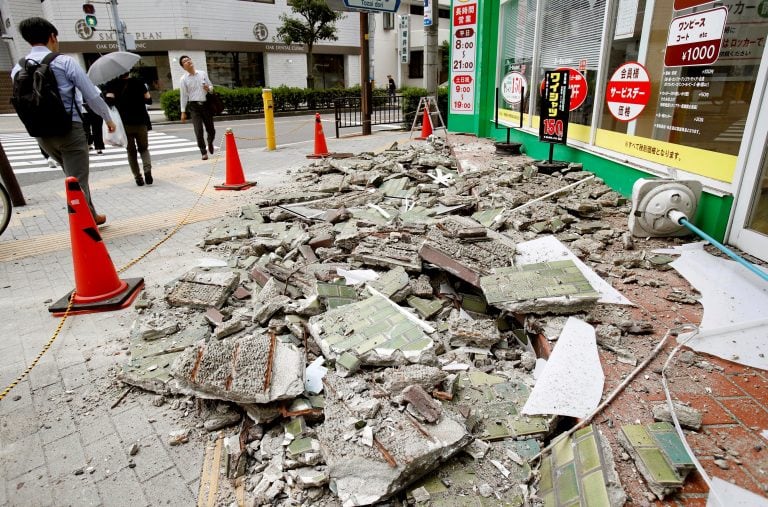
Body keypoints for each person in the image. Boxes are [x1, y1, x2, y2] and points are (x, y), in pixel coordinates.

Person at [11, 17, 116, 225]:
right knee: (77, 182)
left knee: (72, 178)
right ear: (52, 37)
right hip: (70, 130)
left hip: (41, 134)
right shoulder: (64, 61)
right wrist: (108, 118)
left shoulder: (18, 68)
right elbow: (91, 96)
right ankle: (83, 228)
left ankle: (91, 216)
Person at [105, 73, 153, 186]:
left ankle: (138, 177)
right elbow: (149, 100)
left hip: (124, 124)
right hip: (141, 122)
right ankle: (147, 170)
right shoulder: (139, 82)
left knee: (131, 152)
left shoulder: (112, 84)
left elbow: (109, 102)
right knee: (144, 149)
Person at [178, 55, 215, 160]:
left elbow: (212, 88)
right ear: (183, 67)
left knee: (211, 130)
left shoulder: (202, 73)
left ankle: (210, 142)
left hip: (206, 105)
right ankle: (203, 151)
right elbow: (184, 96)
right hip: (194, 107)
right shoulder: (183, 79)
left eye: (188, 59)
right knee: (198, 130)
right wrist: (183, 111)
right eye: (185, 61)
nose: (188, 61)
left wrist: (209, 88)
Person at [83, 86, 105, 155]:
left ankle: (88, 145)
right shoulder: (96, 88)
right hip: (95, 111)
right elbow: (102, 100)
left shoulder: (79, 88)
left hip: (85, 111)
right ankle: (98, 148)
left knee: (86, 130)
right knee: (96, 130)